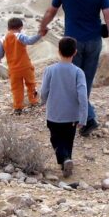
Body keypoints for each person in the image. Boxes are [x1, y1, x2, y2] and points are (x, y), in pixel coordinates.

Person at [38, 0, 109, 136]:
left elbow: (51, 12)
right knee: (85, 82)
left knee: (72, 82)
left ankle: (87, 118)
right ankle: (86, 118)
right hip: (93, 42)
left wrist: (42, 27)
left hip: (72, 43)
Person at [39, 36, 88, 178]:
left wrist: (43, 102)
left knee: (55, 139)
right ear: (75, 52)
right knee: (68, 139)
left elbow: (44, 91)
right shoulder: (79, 72)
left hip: (54, 113)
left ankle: (65, 160)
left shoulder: (50, 70)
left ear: (58, 51)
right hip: (72, 115)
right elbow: (83, 96)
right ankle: (67, 161)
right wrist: (83, 117)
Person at [0, 16, 43, 113]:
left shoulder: (3, 39)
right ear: (20, 28)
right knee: (31, 84)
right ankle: (34, 102)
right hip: (26, 67)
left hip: (13, 69)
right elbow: (30, 41)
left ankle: (18, 108)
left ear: (8, 28)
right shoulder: (19, 36)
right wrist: (40, 34)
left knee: (16, 88)